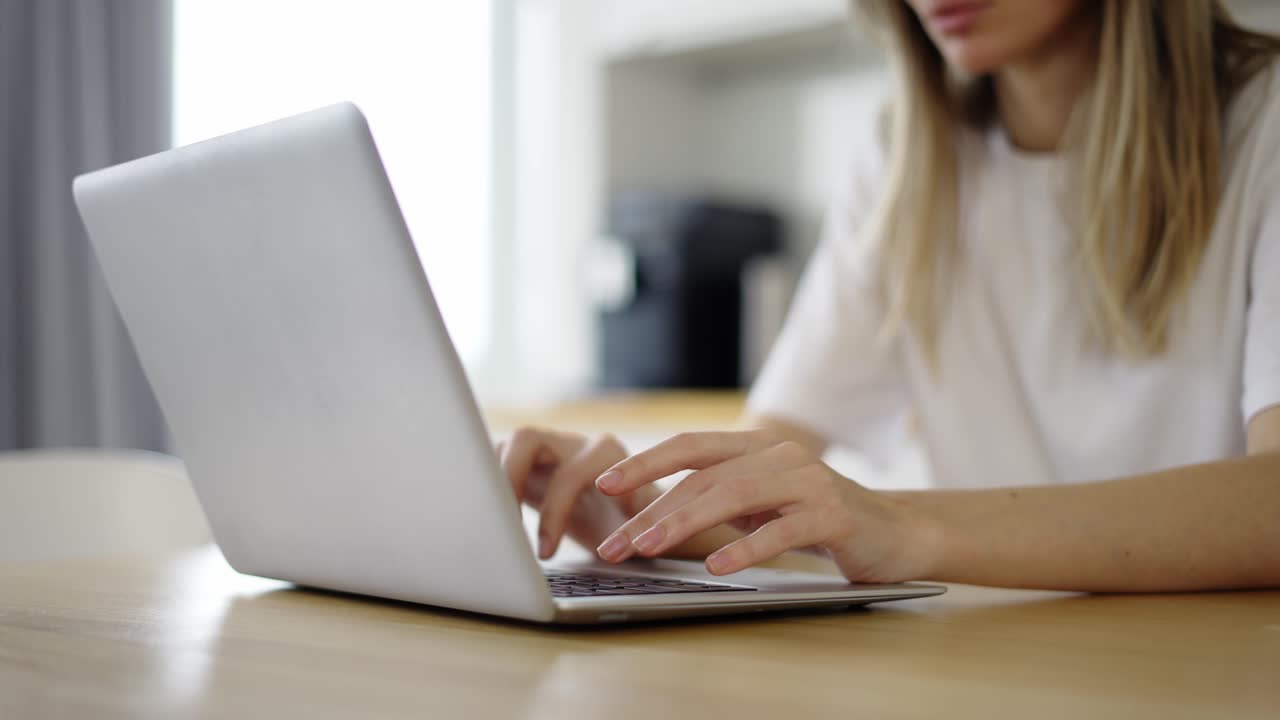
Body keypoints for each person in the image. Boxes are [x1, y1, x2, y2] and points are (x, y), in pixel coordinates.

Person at [498, 0, 1280, 592]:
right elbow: (769, 477)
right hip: (997, 660)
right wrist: (639, 512)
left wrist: (908, 527)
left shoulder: (1265, 121)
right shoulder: (906, 157)